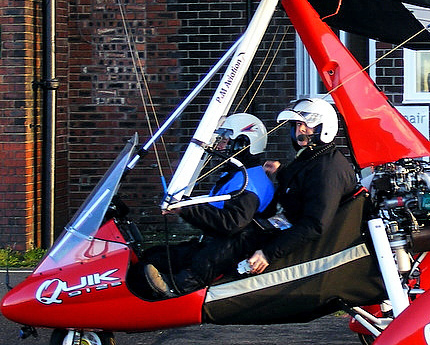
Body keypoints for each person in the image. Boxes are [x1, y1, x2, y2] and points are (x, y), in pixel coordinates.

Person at [142, 112, 275, 297]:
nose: (219, 145)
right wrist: (185, 206)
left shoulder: (249, 182)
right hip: (211, 244)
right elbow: (215, 211)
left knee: (181, 261)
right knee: (153, 256)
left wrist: (186, 209)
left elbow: (231, 224)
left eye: (225, 140)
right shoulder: (238, 174)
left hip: (224, 253)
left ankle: (177, 289)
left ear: (243, 144)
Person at [243, 97, 358, 275]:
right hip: (291, 236)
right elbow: (303, 184)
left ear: (323, 128)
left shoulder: (328, 169)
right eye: (297, 124)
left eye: (308, 124)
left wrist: (267, 254)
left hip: (311, 254)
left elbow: (314, 224)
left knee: (234, 245)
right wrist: (280, 172)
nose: (301, 129)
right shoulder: (313, 158)